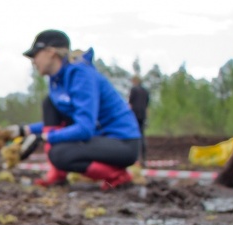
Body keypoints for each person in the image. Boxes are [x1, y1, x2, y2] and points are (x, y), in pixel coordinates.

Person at [9, 30, 141, 190]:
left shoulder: (81, 75)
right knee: (50, 103)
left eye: (35, 55)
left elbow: (84, 128)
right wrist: (25, 130)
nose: (33, 62)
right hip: (99, 138)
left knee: (60, 154)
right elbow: (65, 123)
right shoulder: (57, 81)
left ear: (51, 52)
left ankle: (117, 176)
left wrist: (43, 137)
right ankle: (57, 174)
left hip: (122, 143)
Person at [129, 76, 150, 166]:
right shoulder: (146, 91)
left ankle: (136, 158)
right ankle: (143, 158)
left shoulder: (133, 90)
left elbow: (130, 104)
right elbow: (147, 106)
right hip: (143, 116)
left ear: (135, 81)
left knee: (135, 136)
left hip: (134, 115)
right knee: (142, 136)